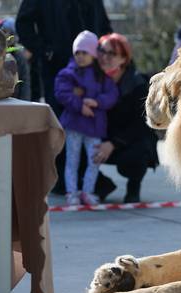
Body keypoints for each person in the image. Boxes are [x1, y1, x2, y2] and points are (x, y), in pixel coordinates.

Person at [16, 0, 113, 194]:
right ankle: (64, 179)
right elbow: (23, 23)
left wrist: (103, 56)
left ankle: (88, 181)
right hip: (57, 67)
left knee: (90, 120)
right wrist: (44, 50)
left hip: (91, 70)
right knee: (63, 122)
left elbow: (103, 25)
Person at [91, 33, 159, 203]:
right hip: (100, 136)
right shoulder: (90, 78)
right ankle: (102, 185)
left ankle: (133, 187)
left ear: (123, 59)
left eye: (111, 54)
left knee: (136, 156)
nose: (104, 57)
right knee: (70, 148)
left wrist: (113, 144)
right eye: (101, 51)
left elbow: (141, 125)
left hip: (128, 140)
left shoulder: (137, 84)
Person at [54, 31, 119, 206]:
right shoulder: (68, 73)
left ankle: (87, 192)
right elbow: (61, 93)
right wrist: (80, 105)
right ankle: (71, 192)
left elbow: (112, 95)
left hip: (94, 126)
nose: (81, 56)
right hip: (74, 125)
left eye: (85, 52)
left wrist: (97, 102)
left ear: (93, 54)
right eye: (77, 53)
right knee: (72, 160)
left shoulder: (102, 76)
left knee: (93, 160)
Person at [0, 17, 32, 101]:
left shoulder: (19, 57)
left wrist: (24, 105)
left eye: (7, 32)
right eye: (2, 31)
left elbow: (25, 82)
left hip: (14, 101)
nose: (5, 35)